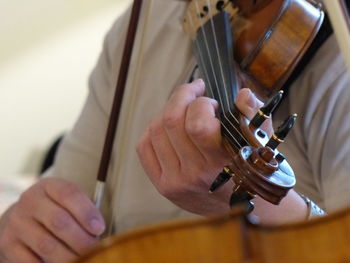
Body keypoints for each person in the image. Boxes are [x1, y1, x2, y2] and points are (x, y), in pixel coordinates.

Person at [0, 0, 349, 262]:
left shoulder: (340, 52)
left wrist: (261, 206)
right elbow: (62, 205)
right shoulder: (145, 19)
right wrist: (19, 229)